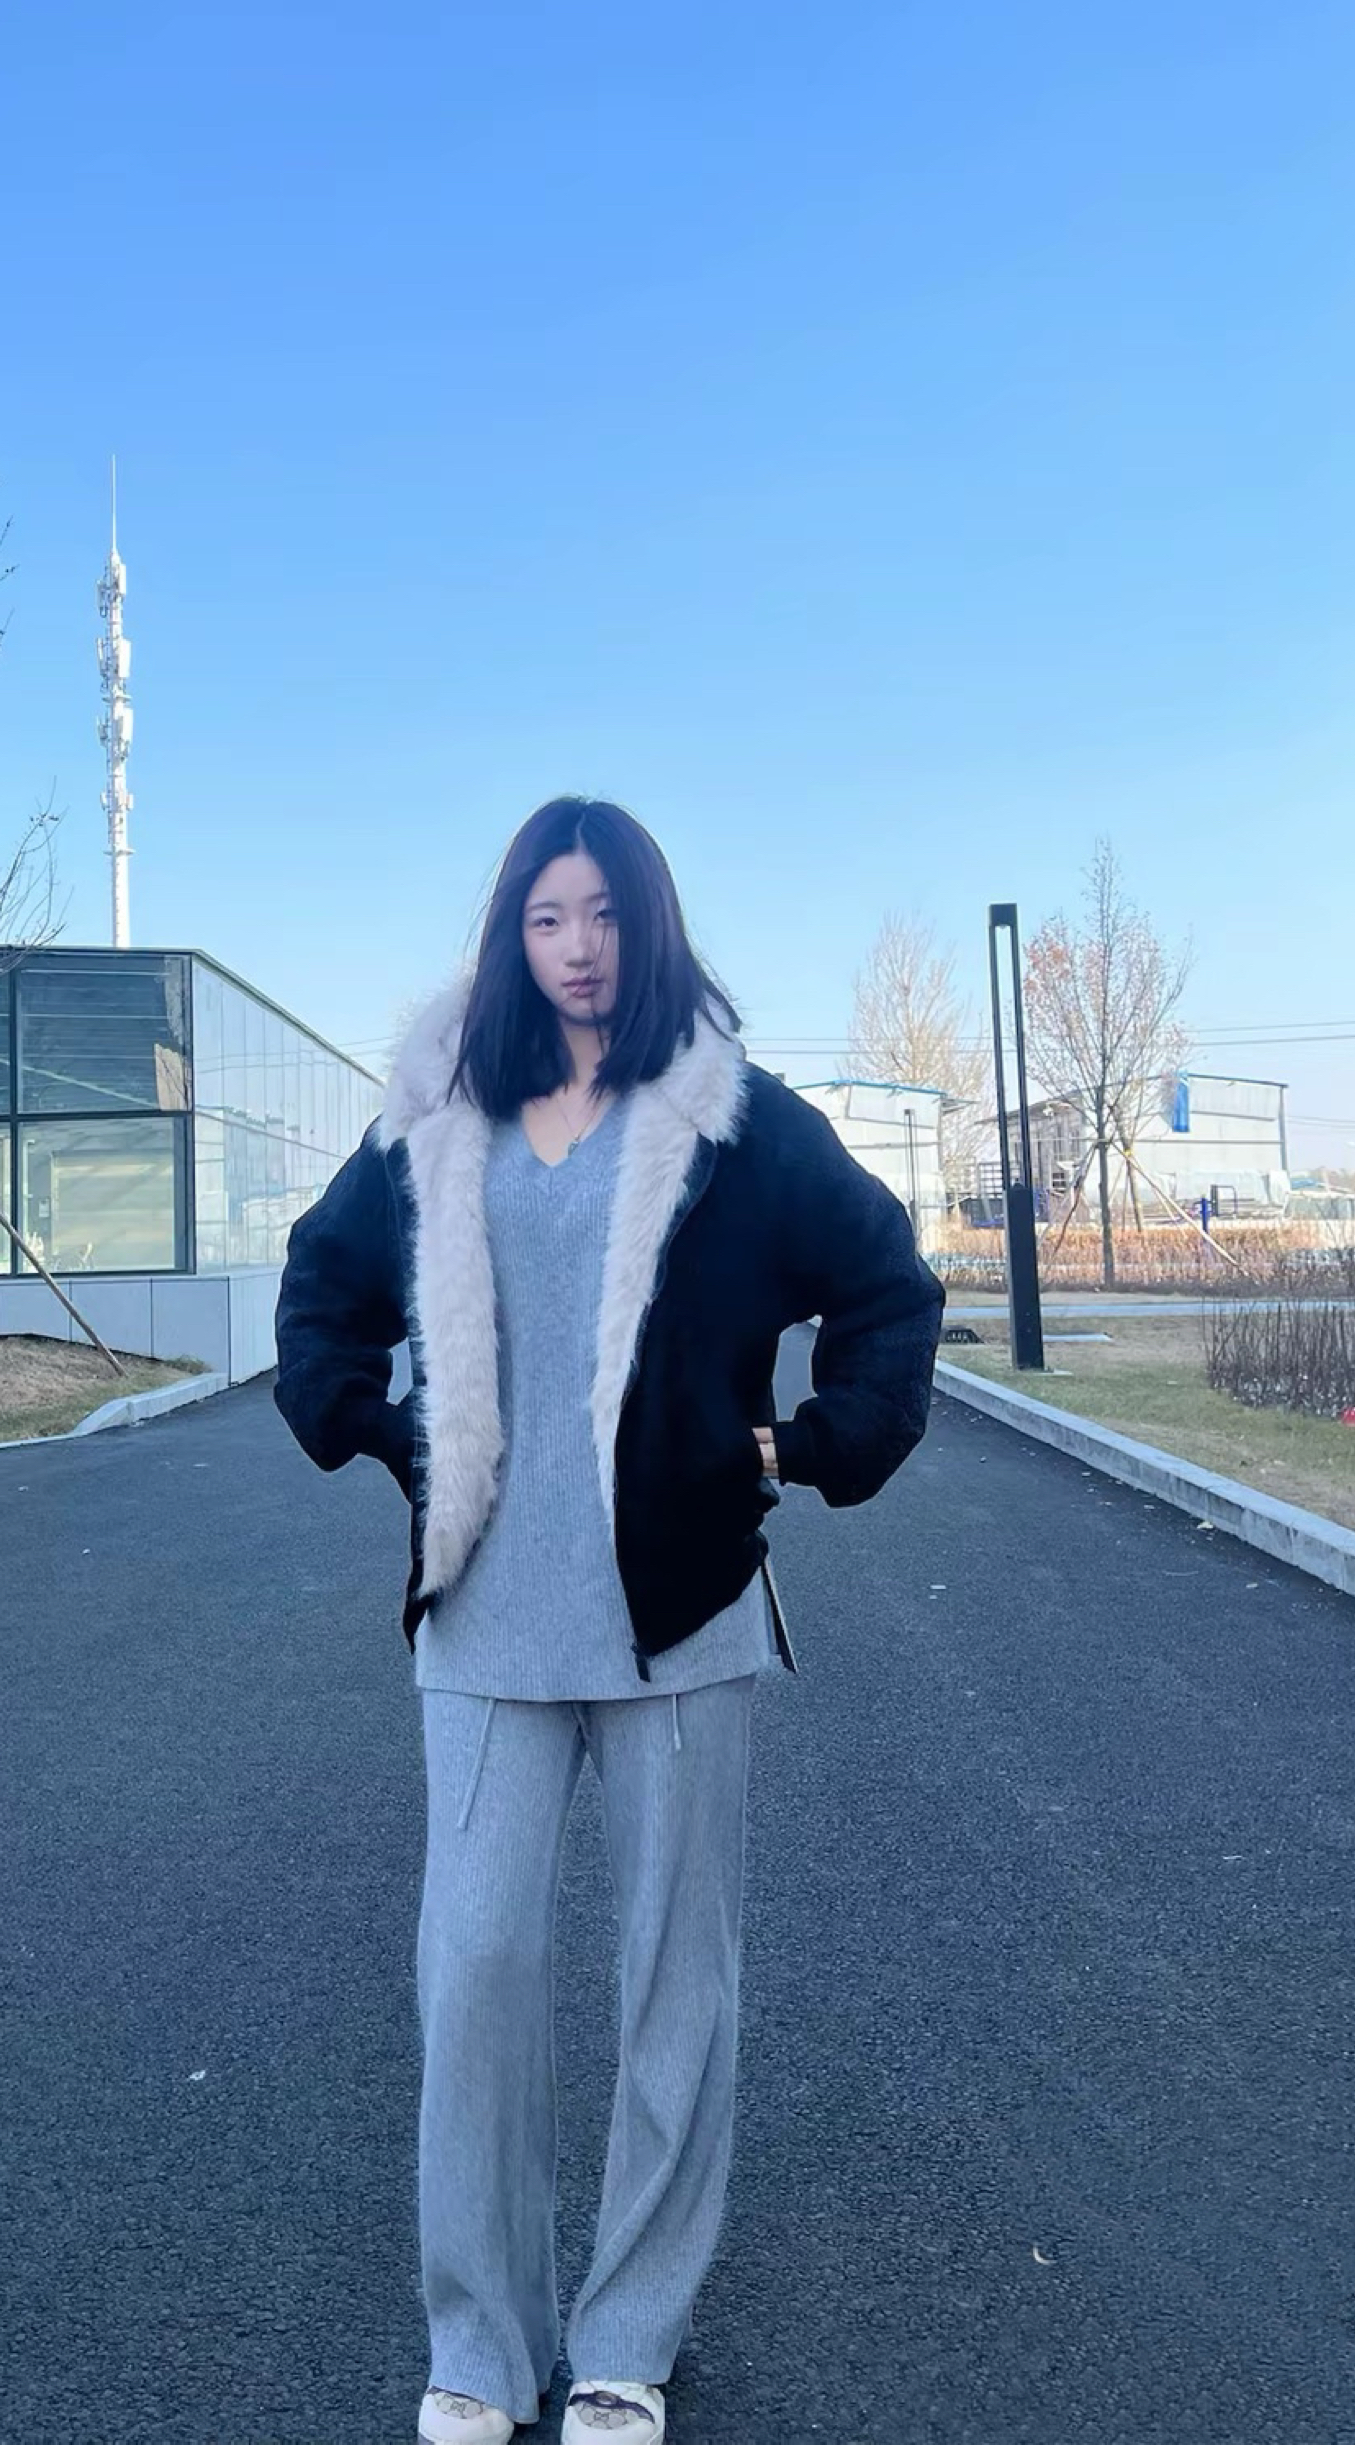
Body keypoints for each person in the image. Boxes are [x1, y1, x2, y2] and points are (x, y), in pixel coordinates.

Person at [273, 798, 944, 2445]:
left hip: (682, 1620)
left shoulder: (728, 1120)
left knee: (674, 1991)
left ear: (650, 926)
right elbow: (322, 1287)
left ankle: (628, 2337)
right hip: (485, 1618)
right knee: (476, 1973)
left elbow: (889, 1287)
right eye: (548, 917)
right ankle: (480, 2347)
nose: (579, 948)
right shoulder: (440, 1116)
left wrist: (795, 1446)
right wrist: (379, 1426)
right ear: (512, 935)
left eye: (606, 914)